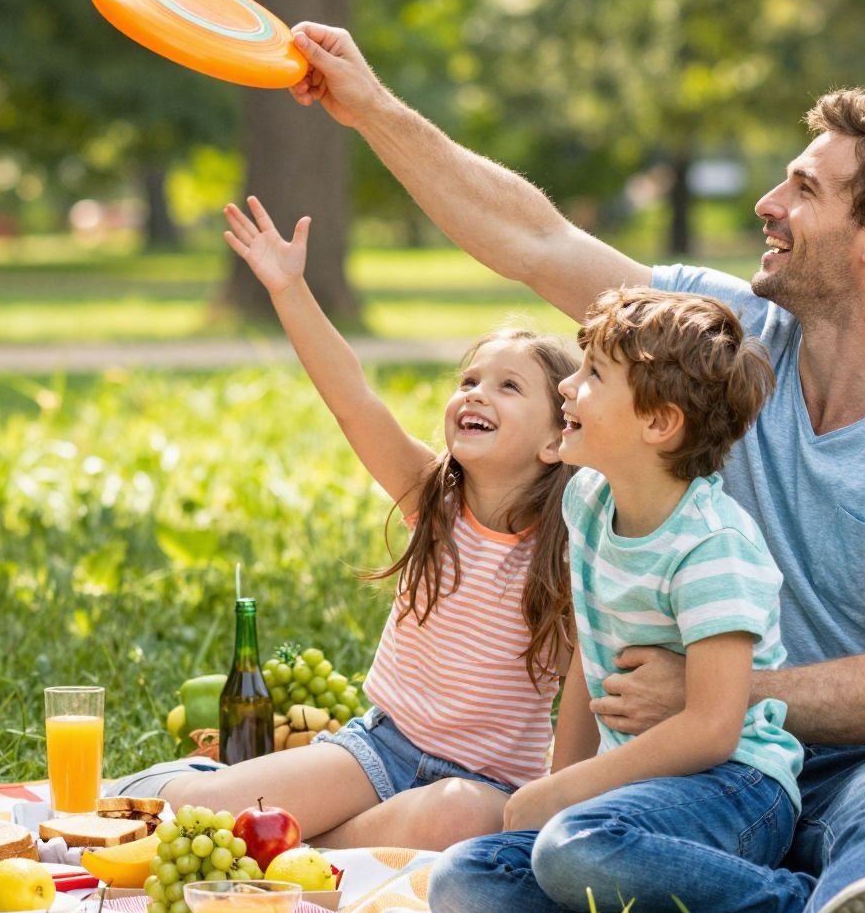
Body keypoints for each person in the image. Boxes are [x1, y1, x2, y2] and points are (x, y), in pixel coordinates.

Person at [286, 25, 865, 913]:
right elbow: (531, 238)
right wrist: (370, 108)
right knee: (480, 882)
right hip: (728, 779)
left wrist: (712, 693)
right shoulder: (711, 348)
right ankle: (805, 900)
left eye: (803, 191)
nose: (766, 205)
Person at [160, 197, 576, 851]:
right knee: (198, 809)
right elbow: (353, 399)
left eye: (508, 387)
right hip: (379, 751)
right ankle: (249, 819)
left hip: (486, 787)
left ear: (559, 440)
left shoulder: (575, 550)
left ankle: (296, 846)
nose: (474, 394)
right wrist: (289, 287)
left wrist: (560, 804)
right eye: (469, 379)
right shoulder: (433, 498)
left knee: (457, 814)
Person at [429, 287, 805, 913]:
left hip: (739, 791)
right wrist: (561, 783)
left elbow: (714, 729)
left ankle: (801, 907)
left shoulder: (712, 545)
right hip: (626, 808)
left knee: (571, 844)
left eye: (593, 375)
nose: (568, 389)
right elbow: (588, 663)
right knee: (462, 884)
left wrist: (569, 797)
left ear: (659, 422)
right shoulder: (588, 504)